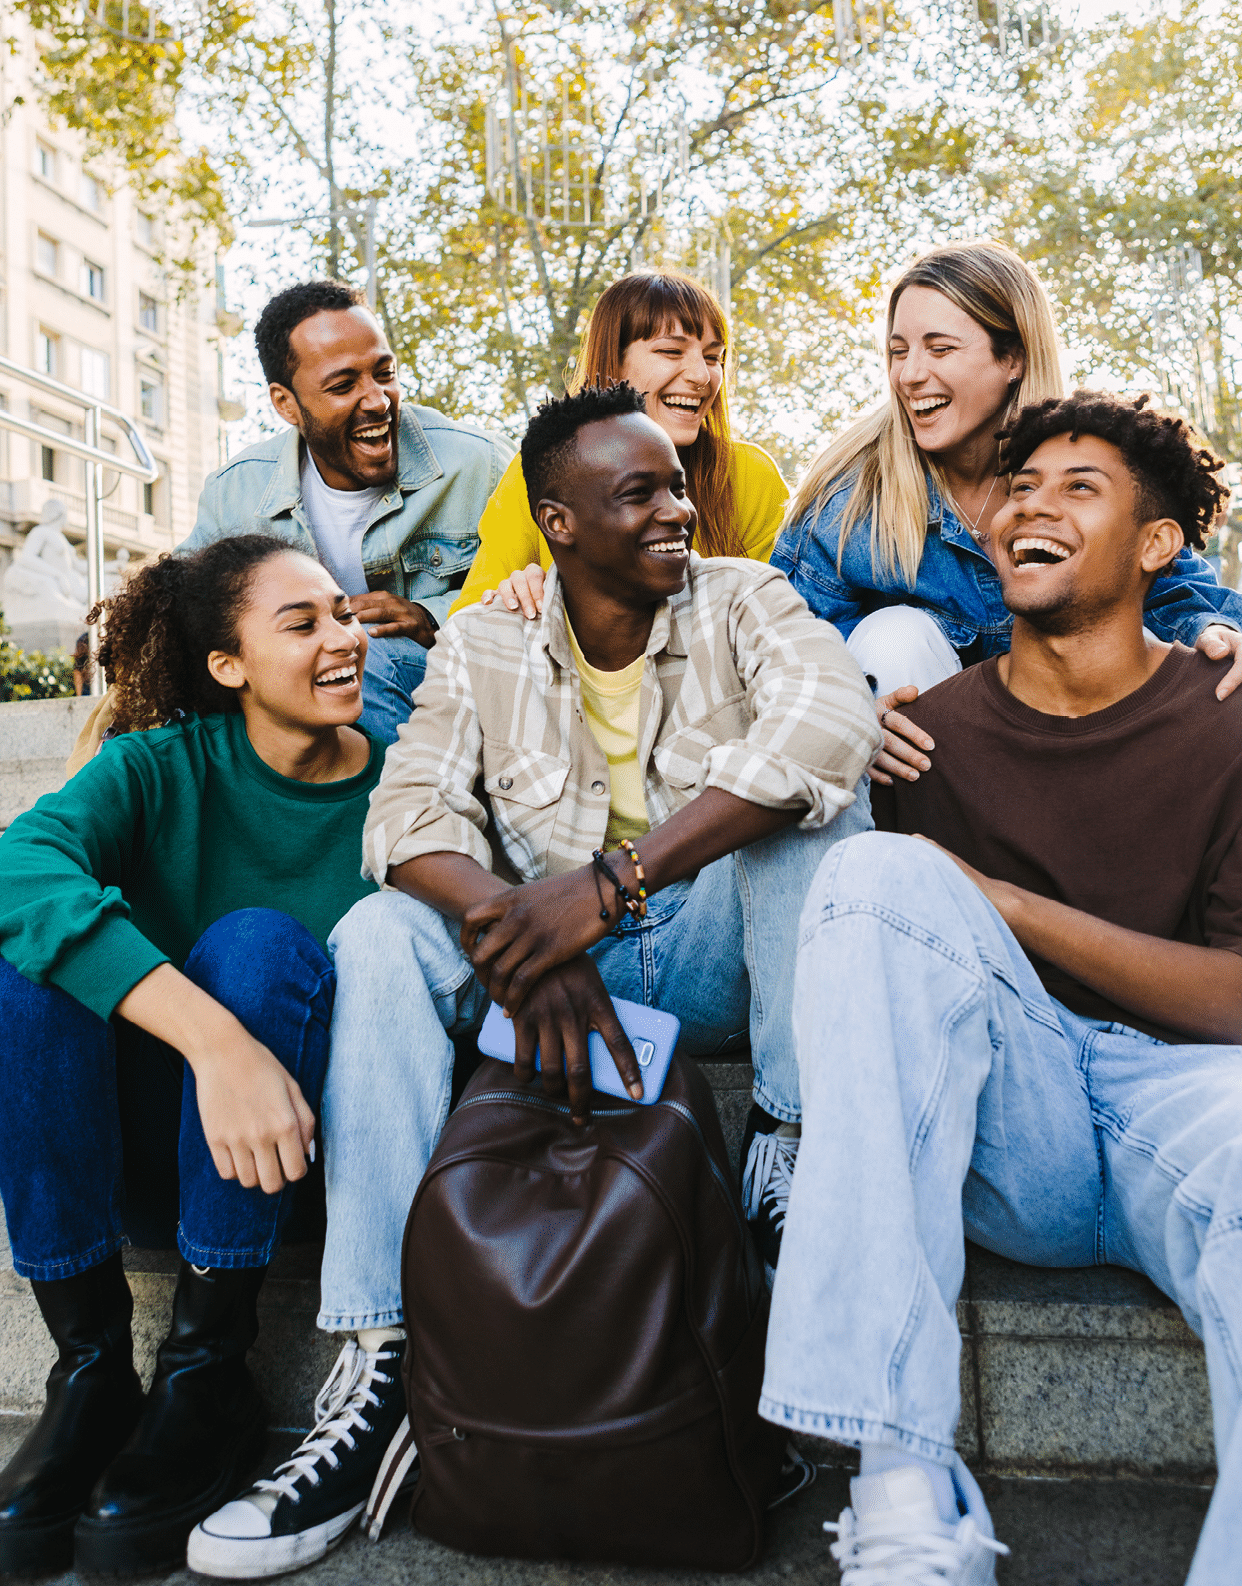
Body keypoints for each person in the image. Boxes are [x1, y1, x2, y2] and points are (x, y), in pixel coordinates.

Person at [187, 381, 880, 1579]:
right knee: (380, 935)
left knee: (817, 821)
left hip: (707, 950)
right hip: (551, 957)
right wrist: (527, 936)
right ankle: (378, 1360)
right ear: (556, 520)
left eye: (677, 483)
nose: (677, 509)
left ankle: (785, 1147)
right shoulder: (487, 639)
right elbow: (405, 815)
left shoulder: (744, 595)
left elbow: (828, 726)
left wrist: (605, 888)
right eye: (640, 492)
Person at [761, 392, 1242, 1586]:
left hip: (1181, 1099)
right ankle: (905, 1490)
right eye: (1019, 485)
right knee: (871, 871)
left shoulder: (1225, 718)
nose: (1033, 501)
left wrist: (1012, 906)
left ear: (1157, 544)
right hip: (1001, 1114)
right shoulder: (924, 736)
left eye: (1080, 487)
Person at [0, 536, 387, 1576]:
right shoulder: (158, 768)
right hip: (136, 1165)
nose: (343, 637)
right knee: (25, 960)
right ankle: (88, 1369)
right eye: (301, 623)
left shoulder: (408, 784)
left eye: (343, 613)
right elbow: (13, 871)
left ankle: (206, 1370)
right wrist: (215, 1040)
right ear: (228, 666)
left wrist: (252, 1032)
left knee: (256, 945)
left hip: (298, 1171)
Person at [772, 240, 1242, 786]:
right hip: (925, 770)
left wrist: (1216, 631)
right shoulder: (852, 500)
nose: (910, 375)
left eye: (940, 349)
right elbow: (784, 647)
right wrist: (848, 714)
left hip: (1071, 738)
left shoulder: (1088, 459)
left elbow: (1170, 585)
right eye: (899, 351)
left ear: (1013, 358)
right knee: (893, 635)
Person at [68, 280, 512, 766]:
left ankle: (394, 827)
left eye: (384, 373)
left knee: (362, 654)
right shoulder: (236, 493)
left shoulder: (480, 464)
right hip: (289, 696)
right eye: (344, 385)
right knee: (137, 719)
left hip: (435, 678)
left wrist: (434, 615)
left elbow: (551, 595)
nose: (378, 401)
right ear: (285, 404)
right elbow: (180, 620)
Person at [451, 269, 788, 618]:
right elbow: (467, 620)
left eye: (713, 356)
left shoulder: (749, 476)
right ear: (615, 361)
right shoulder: (539, 469)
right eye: (672, 351)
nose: (702, 376)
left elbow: (780, 619)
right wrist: (509, 599)